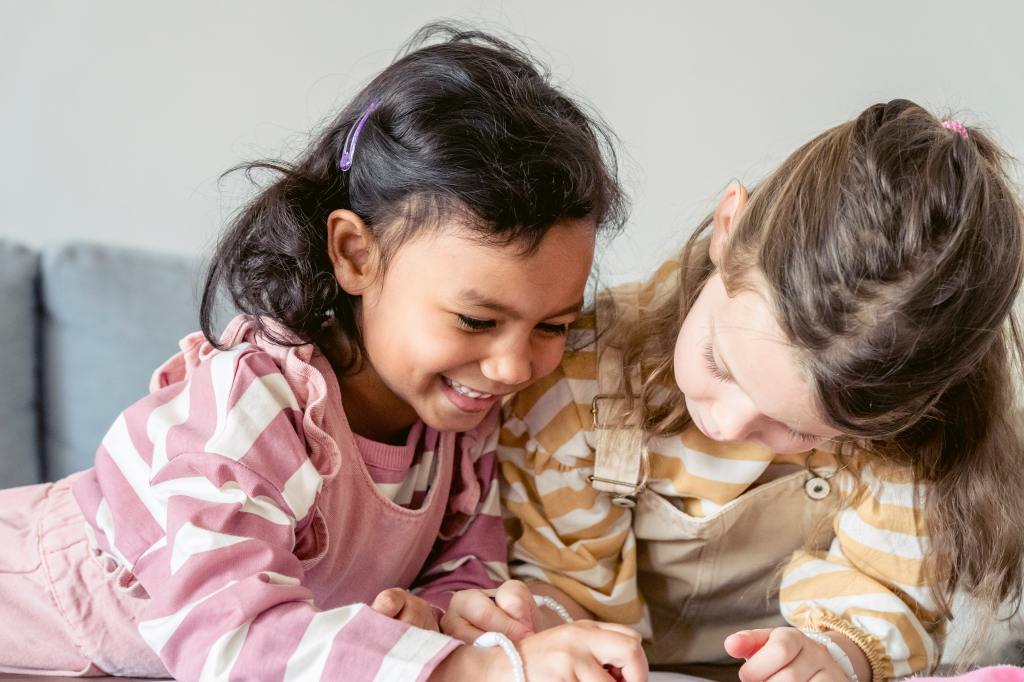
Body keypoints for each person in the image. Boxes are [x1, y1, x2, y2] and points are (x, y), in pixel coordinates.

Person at [0, 24, 649, 682]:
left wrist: (453, 620)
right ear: (355, 255)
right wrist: (474, 671)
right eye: (476, 319)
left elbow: (464, 574)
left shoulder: (461, 421)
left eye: (552, 326)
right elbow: (232, 640)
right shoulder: (254, 406)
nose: (513, 368)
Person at [444, 100, 1024, 681]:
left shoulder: (902, 431)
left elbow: (888, 593)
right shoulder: (581, 382)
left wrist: (836, 657)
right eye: (718, 365)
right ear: (729, 227)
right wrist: (538, 620)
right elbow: (568, 583)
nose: (726, 424)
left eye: (796, 428)